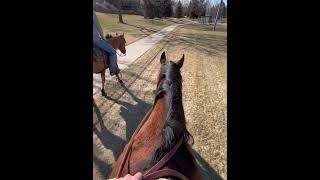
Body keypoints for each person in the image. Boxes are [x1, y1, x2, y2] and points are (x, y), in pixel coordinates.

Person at [93, 0, 120, 76]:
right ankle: (113, 70)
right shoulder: (93, 14)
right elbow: (98, 27)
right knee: (113, 52)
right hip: (96, 40)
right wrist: (103, 38)